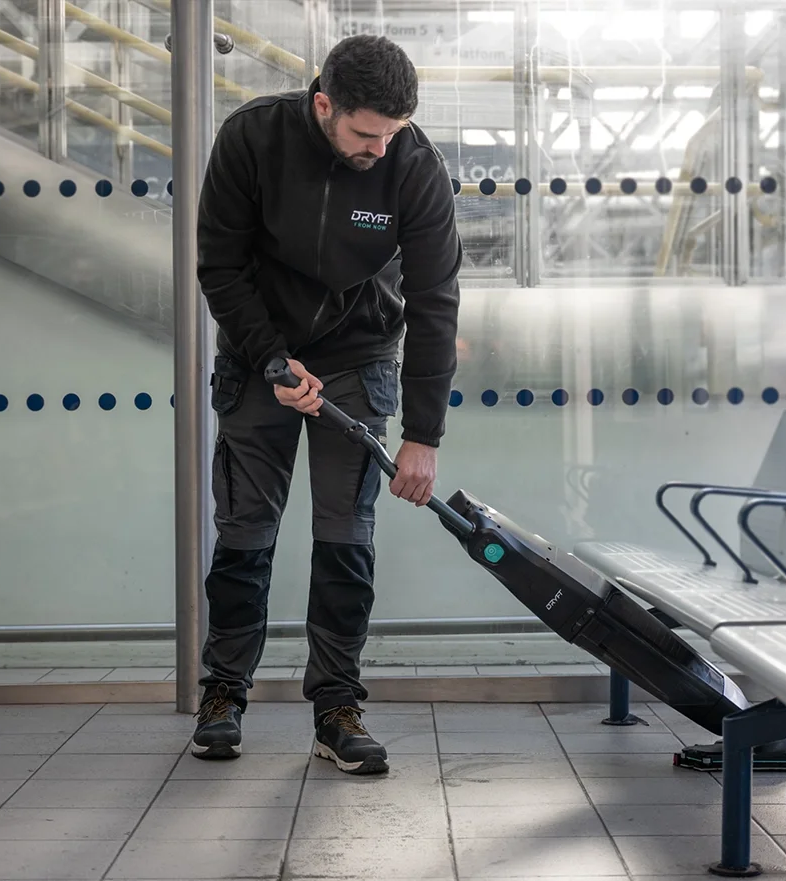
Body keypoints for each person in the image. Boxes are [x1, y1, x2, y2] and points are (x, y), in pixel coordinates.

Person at [189, 35, 462, 774]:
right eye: (365, 133)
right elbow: (219, 261)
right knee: (245, 530)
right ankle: (223, 696)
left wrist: (423, 435)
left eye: (393, 133)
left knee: (347, 536)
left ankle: (337, 708)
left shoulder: (412, 164)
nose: (380, 147)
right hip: (259, 355)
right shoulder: (253, 136)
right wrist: (272, 359)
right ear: (323, 106)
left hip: (359, 356)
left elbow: (435, 302)